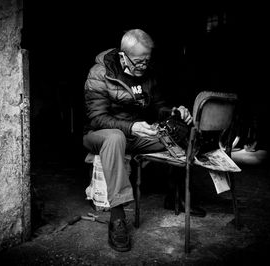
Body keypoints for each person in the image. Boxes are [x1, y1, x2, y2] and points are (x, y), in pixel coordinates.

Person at [83, 29, 205, 252]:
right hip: (100, 134)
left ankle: (175, 197)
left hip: (135, 133)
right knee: (115, 137)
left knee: (176, 136)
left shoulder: (148, 73)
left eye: (147, 60)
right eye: (138, 61)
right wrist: (131, 126)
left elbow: (159, 107)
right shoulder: (100, 73)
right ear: (123, 56)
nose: (143, 66)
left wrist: (174, 113)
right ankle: (117, 218)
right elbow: (97, 117)